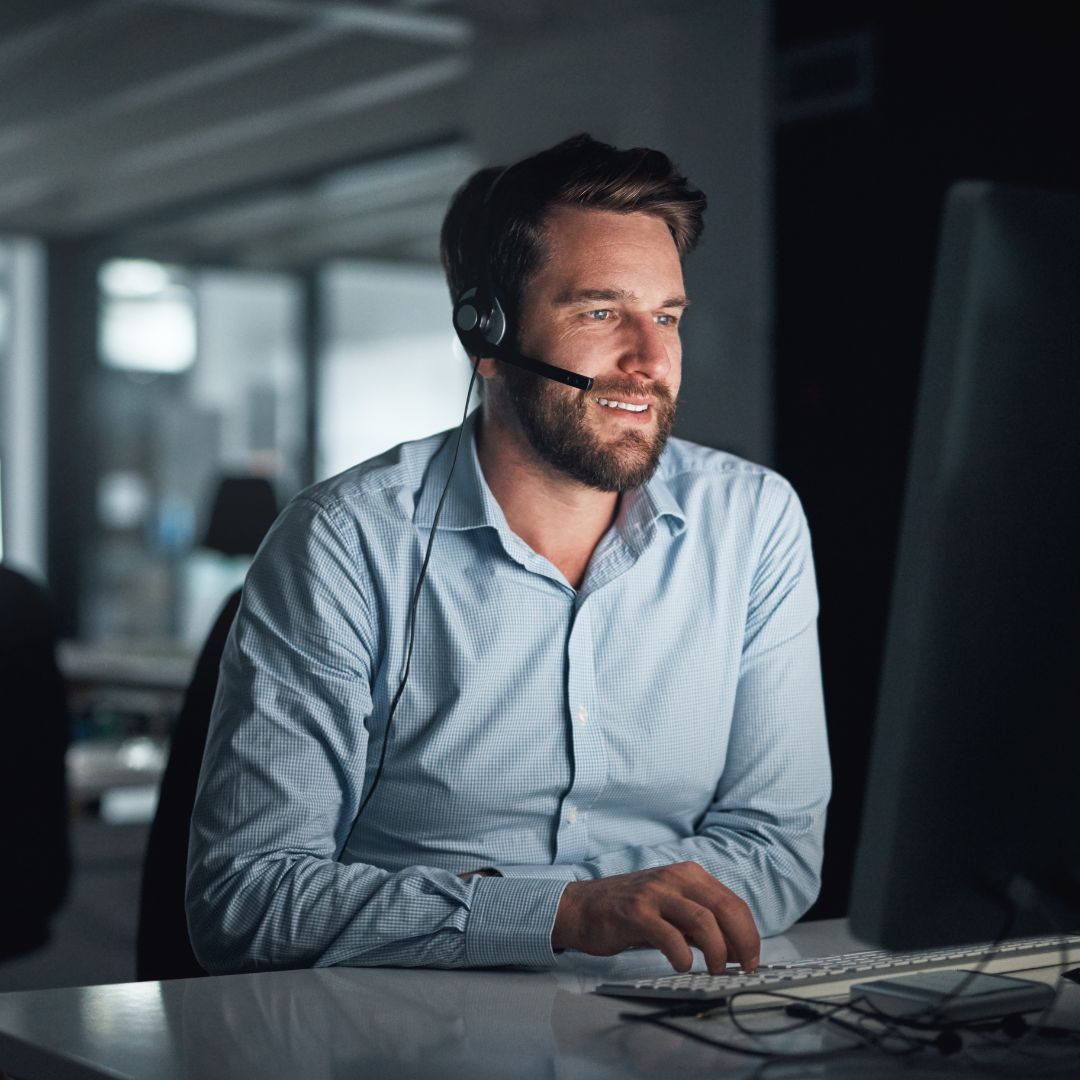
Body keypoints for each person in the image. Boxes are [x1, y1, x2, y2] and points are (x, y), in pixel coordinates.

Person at [187, 134, 830, 977]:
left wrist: (609, 916)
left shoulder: (753, 521)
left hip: (675, 1026)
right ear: (484, 335)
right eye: (601, 313)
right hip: (406, 1034)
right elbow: (247, 900)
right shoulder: (344, 542)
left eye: (666, 316)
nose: (650, 361)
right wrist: (561, 915)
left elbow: (780, 850)